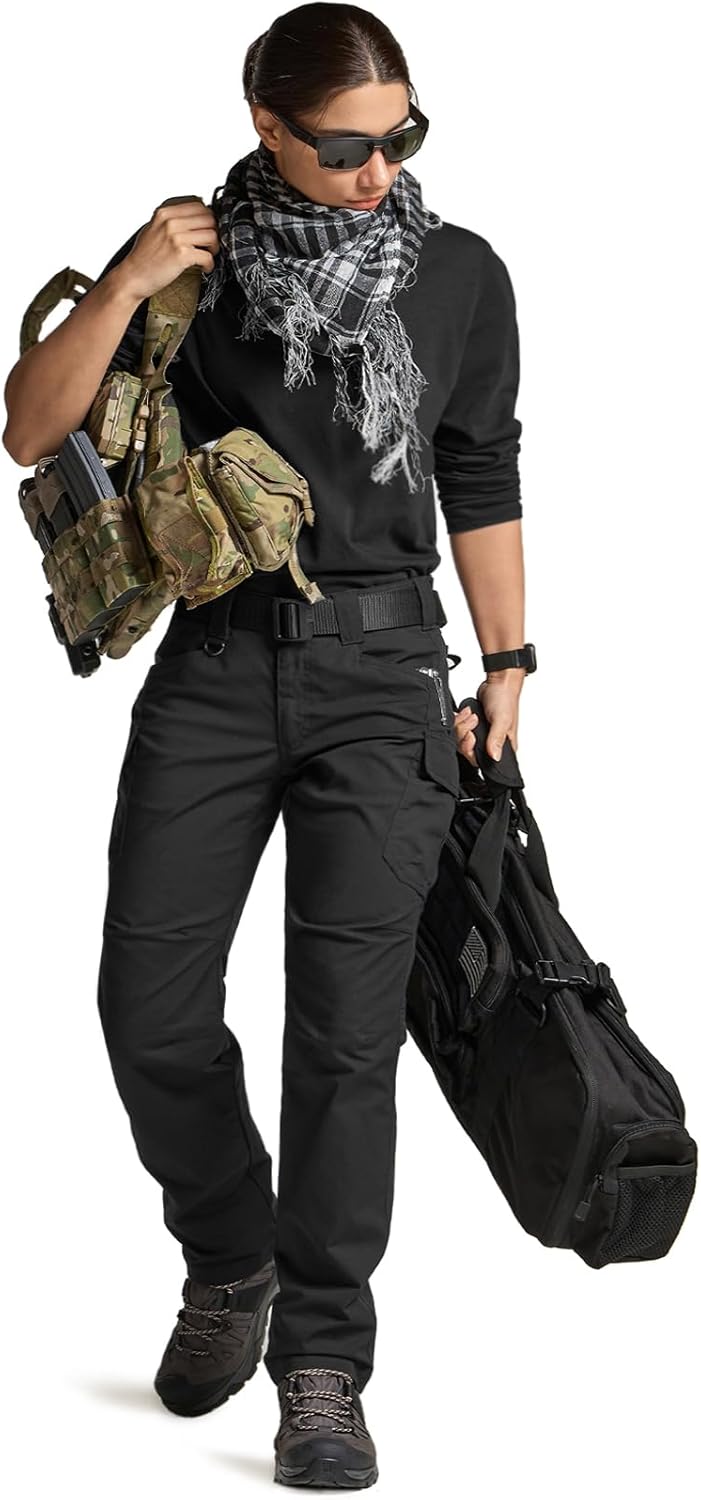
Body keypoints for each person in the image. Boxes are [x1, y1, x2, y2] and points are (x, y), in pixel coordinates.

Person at [3, 3, 529, 1487]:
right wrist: (126, 278)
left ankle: (321, 1361)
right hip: (220, 665)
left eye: (401, 137)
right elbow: (31, 429)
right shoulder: (193, 265)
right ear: (266, 128)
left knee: (344, 1038)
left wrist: (508, 663)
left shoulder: (460, 273)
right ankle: (228, 1253)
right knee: (147, 1004)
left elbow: (480, 468)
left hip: (384, 673)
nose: (378, 170)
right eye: (346, 146)